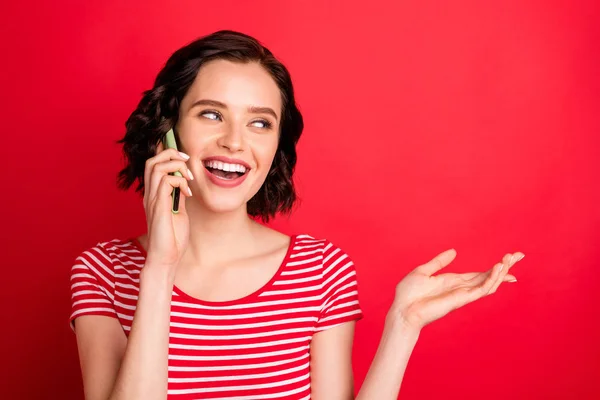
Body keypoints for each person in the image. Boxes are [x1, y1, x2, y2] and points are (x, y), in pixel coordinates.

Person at [69, 30, 524, 400]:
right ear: (168, 130)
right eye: (211, 114)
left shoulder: (321, 271)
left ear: (276, 147)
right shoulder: (102, 272)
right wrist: (161, 268)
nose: (234, 141)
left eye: (260, 122)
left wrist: (402, 327)